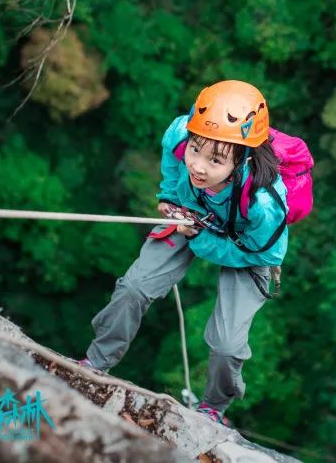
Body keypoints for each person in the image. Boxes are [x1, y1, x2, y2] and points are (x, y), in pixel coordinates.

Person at [77, 80, 288, 427]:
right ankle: (95, 363)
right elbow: (174, 166)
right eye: (195, 150)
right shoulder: (180, 133)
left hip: (244, 250)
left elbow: (259, 252)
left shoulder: (265, 203)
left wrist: (202, 239)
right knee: (133, 288)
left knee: (226, 344)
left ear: (242, 159)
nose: (199, 166)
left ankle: (213, 409)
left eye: (215, 160)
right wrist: (171, 201)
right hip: (191, 218)